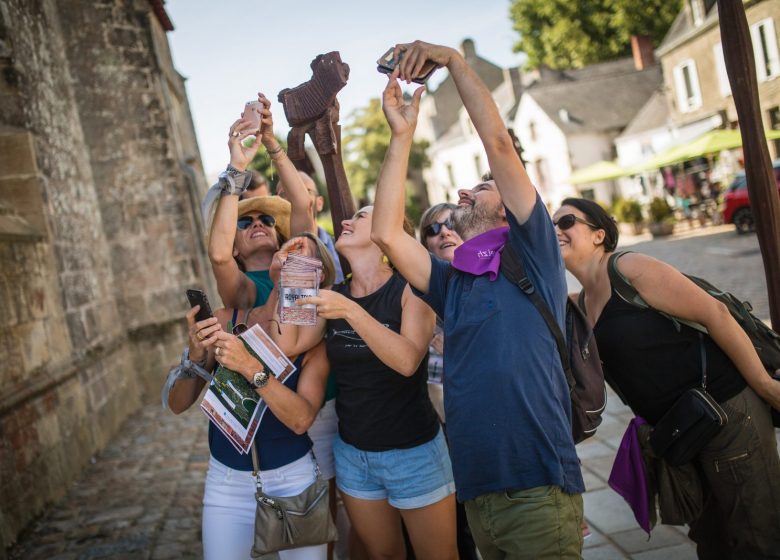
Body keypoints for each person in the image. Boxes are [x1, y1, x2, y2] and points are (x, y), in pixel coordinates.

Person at [371, 41, 584, 559]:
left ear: (512, 210)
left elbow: (498, 144)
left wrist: (453, 62)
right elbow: (387, 234)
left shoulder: (532, 252)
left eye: (482, 186)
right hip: (479, 494)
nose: (464, 193)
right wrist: (402, 134)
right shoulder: (452, 282)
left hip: (536, 487)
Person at [553, 197, 780, 559]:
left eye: (566, 222)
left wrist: (766, 386)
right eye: (550, 227)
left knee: (757, 533)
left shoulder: (628, 268)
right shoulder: (579, 305)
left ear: (598, 234)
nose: (556, 231)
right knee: (711, 538)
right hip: (681, 431)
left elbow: (715, 314)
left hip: (728, 413)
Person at [279, 204, 457, 560]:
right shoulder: (336, 295)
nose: (346, 220)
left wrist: (350, 312)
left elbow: (407, 361)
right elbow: (290, 344)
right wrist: (293, 272)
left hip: (414, 452)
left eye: (361, 215)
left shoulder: (411, 290)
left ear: (386, 235)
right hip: (354, 454)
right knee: (383, 556)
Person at [167, 233, 337, 559]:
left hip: (294, 480)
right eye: (288, 249)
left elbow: (301, 419)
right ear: (273, 259)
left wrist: (250, 368)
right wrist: (195, 352)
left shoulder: (316, 345)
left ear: (320, 277)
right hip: (227, 481)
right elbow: (177, 404)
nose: (291, 257)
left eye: (304, 255)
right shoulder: (226, 320)